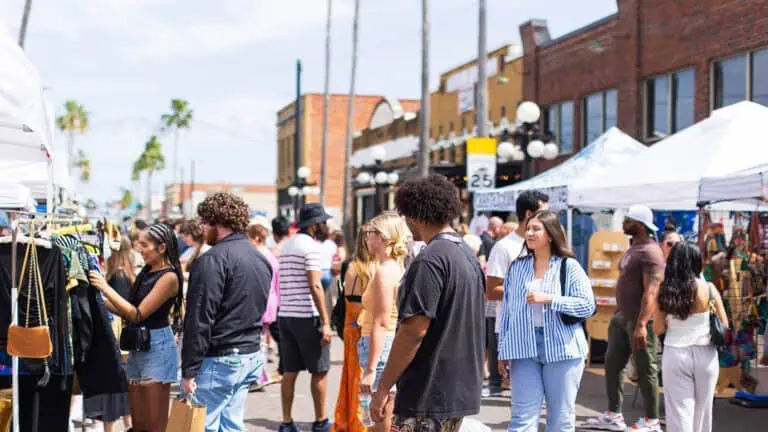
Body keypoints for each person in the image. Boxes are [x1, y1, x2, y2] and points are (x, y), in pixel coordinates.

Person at [370, 174, 485, 432]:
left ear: (415, 214)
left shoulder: (429, 261)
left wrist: (384, 386)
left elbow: (413, 331)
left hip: (428, 392)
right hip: (458, 387)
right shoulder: (466, 254)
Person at [182, 192, 272, 431]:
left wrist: (189, 370)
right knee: (231, 424)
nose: (201, 229)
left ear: (216, 223)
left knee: (204, 425)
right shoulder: (259, 258)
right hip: (249, 352)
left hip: (221, 356)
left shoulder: (212, 260)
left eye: (203, 223)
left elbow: (200, 319)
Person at [497, 210, 595, 431]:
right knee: (522, 418)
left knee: (560, 419)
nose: (529, 233)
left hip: (563, 348)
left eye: (536, 229)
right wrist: (503, 349)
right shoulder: (517, 267)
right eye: (528, 229)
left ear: (550, 234)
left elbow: (588, 305)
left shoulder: (568, 266)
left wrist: (551, 299)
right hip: (523, 348)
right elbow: (508, 313)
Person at [88, 224, 183, 432]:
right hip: (138, 347)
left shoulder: (169, 277)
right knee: (139, 423)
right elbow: (126, 309)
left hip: (157, 348)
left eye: (144, 244)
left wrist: (104, 287)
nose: (139, 249)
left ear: (162, 247)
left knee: (154, 424)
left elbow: (137, 314)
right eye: (138, 244)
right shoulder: (147, 273)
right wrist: (98, 297)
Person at [587, 205, 665, 432]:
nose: (622, 223)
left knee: (646, 368)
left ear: (639, 225)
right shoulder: (635, 248)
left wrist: (641, 324)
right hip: (622, 317)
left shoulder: (651, 252)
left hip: (638, 321)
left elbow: (651, 290)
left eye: (627, 220)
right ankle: (613, 414)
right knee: (612, 365)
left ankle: (652, 421)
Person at [653, 242, 728, 432]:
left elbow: (658, 328)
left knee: (679, 413)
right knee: (703, 414)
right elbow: (725, 325)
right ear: (697, 263)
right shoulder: (708, 288)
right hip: (706, 354)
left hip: (675, 353)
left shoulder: (664, 290)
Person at [486, 190, 549, 397]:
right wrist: (528, 292)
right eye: (544, 212)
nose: (549, 218)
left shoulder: (549, 246)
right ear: (529, 214)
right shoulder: (504, 247)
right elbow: (492, 290)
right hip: (514, 328)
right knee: (523, 395)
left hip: (547, 328)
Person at [278, 203, 334, 432]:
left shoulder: (287, 245)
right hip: (307, 316)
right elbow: (315, 285)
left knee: (289, 372)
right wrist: (326, 322)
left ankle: (286, 422)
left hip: (286, 315)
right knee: (319, 370)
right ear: (314, 225)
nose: (326, 226)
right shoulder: (311, 247)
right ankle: (320, 422)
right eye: (323, 222)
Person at [358, 212, 408, 432]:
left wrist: (370, 368)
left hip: (380, 346)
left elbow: (381, 322)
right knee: (380, 412)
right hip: (381, 344)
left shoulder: (385, 271)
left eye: (371, 233)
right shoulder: (391, 268)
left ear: (383, 238)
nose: (367, 238)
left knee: (379, 414)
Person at [332, 225, 377, 432]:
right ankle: (360, 424)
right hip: (362, 326)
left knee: (351, 377)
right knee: (363, 377)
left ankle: (349, 419)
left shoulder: (351, 264)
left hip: (350, 326)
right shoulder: (370, 267)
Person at [247, 218, 281, 390]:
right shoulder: (271, 255)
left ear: (256, 238)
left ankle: (258, 375)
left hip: (260, 300)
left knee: (258, 340)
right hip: (271, 301)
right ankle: (261, 373)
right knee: (263, 338)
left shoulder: (257, 256)